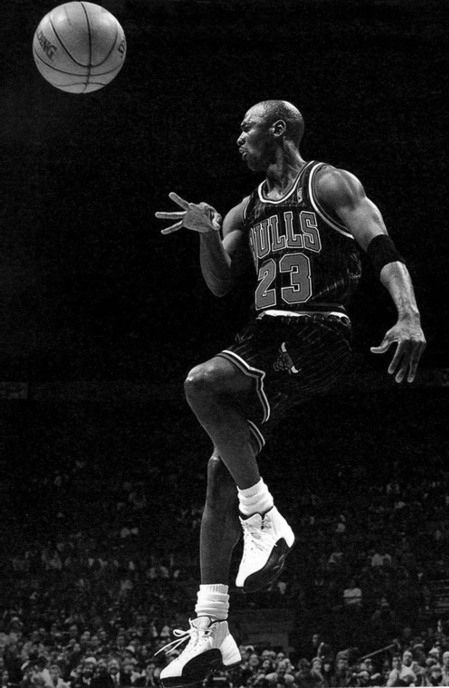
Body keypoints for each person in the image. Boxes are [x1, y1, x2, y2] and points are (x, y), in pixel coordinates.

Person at [154, 100, 426, 685]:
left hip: (317, 328)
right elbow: (221, 283)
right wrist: (205, 234)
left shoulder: (327, 182)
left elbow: (383, 249)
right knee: (219, 473)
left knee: (201, 383)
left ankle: (265, 517)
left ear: (278, 130)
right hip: (265, 330)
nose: (239, 139)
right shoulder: (243, 210)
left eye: (246, 128)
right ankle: (211, 627)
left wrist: (408, 314)